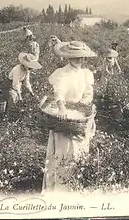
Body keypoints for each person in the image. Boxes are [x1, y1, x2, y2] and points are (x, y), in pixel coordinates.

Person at [41, 41, 97, 193]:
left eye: (82, 58)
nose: (80, 61)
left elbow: (88, 92)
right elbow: (59, 92)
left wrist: (84, 103)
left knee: (79, 149)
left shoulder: (85, 74)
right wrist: (61, 108)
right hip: (65, 116)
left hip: (78, 115)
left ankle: (74, 182)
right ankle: (60, 187)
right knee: (64, 150)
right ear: (68, 58)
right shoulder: (62, 73)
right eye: (76, 58)